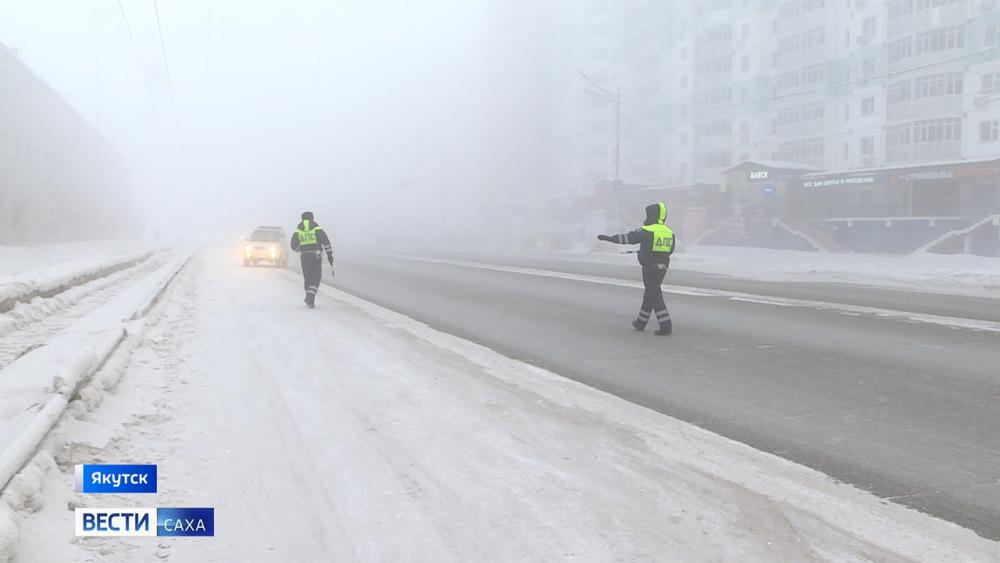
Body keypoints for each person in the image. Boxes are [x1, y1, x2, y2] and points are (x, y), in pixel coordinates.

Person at [596, 202, 675, 335]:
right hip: (663, 267)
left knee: (655, 295)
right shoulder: (669, 232)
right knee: (650, 294)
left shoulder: (647, 230)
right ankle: (641, 322)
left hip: (649, 267)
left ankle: (665, 325)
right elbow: (670, 250)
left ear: (652, 215)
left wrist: (609, 238)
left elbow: (629, 238)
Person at [290, 211, 334, 308]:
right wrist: (329, 254)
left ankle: (309, 299)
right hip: (316, 255)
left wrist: (300, 250)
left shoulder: (298, 230)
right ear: (312, 218)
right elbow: (326, 242)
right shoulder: (316, 228)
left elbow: (293, 245)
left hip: (304, 256)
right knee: (316, 277)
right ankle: (310, 297)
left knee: (308, 277)